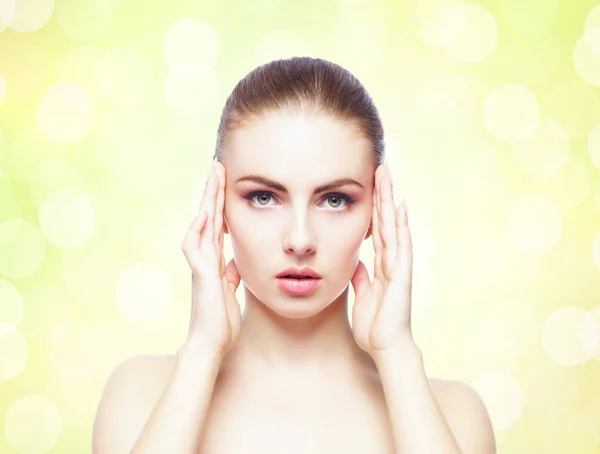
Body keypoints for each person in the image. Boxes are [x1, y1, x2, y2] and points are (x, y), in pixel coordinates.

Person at [92, 56, 496, 453]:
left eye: (335, 200)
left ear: (377, 208)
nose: (300, 239)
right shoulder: (142, 396)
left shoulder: (453, 415)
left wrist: (396, 354)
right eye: (263, 197)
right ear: (219, 204)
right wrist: (202, 350)